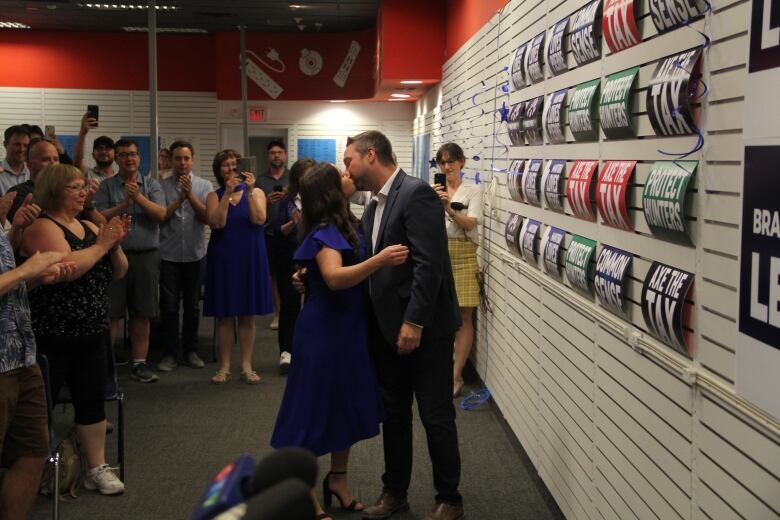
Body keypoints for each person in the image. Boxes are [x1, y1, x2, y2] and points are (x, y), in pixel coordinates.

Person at [271, 162, 408, 520]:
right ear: (331, 191)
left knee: (343, 406)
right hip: (325, 332)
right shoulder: (326, 228)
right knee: (313, 408)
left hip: (348, 327)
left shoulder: (346, 221)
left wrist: (308, 276)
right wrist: (379, 261)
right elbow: (333, 277)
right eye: (342, 176)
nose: (350, 176)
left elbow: (321, 272)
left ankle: (338, 480)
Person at [342, 131, 464, 520]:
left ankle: (450, 499)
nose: (347, 169)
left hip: (423, 331)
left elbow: (430, 265)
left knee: (435, 415)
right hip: (387, 332)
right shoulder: (375, 205)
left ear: (371, 155)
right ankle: (395, 492)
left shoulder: (416, 194)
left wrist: (414, 321)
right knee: (394, 415)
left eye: (350, 161)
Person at [21, 163, 129, 495]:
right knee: (42, 407)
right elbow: (68, 268)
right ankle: (35, 469)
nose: (84, 193)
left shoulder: (87, 224)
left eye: (84, 187)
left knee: (91, 401)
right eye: (76, 188)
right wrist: (101, 246)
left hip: (93, 331)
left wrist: (114, 243)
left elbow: (121, 271)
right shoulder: (42, 227)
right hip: (53, 334)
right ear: (55, 191)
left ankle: (96, 467)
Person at [0, 216, 74, 520]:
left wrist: (34, 278)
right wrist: (25, 270)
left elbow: (9, 286)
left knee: (33, 452)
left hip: (22, 355)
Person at [94, 138, 166, 383]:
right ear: (117, 159)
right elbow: (99, 218)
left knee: (142, 312)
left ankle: (139, 364)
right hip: (113, 256)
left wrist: (138, 199)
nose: (129, 159)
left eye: (133, 154)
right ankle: (104, 367)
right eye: (123, 154)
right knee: (111, 313)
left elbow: (161, 214)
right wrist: (124, 204)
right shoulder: (106, 187)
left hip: (146, 256)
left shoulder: (152, 185)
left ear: (139, 158)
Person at [204, 149, 273, 385]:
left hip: (250, 256)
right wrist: (228, 195)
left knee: (247, 314)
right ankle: (224, 366)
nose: (231, 168)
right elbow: (217, 222)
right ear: (219, 170)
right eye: (226, 165)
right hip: (224, 256)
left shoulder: (257, 192)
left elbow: (259, 219)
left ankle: (246, 365)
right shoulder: (214, 195)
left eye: (235, 164)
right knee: (225, 314)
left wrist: (250, 191)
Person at [157, 141, 212, 372]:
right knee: (168, 307)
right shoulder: (160, 186)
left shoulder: (204, 185)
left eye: (186, 158)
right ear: (171, 160)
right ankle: (170, 353)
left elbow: (207, 217)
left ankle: (190, 350)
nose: (182, 163)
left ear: (193, 160)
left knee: (192, 306)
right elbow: (160, 217)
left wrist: (190, 196)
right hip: (168, 255)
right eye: (178, 158)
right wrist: (179, 199)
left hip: (195, 254)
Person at [433, 143, 482, 397]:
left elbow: (470, 223)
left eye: (451, 161)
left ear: (462, 162)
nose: (447, 167)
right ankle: (439, 369)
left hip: (463, 253)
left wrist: (448, 207)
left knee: (463, 317)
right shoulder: (434, 190)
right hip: (439, 253)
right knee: (439, 313)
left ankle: (456, 375)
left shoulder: (472, 191)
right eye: (442, 162)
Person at [272, 157, 315, 374]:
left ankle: (307, 351)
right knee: (289, 307)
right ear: (297, 178)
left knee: (312, 306)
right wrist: (292, 223)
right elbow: (276, 232)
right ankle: (286, 352)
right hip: (289, 259)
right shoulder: (287, 201)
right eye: (303, 176)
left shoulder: (320, 199)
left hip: (314, 260)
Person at [255, 140, 289, 332]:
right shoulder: (260, 181)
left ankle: (290, 312)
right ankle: (278, 314)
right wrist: (266, 201)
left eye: (279, 152)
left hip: (291, 234)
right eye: (272, 152)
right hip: (268, 233)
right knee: (274, 275)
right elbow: (254, 208)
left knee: (291, 274)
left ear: (284, 155)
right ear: (268, 156)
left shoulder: (293, 177)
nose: (276, 155)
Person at [1, 125, 30, 195]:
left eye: (25, 145)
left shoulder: (33, 171)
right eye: (17, 144)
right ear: (5, 145)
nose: (22, 149)